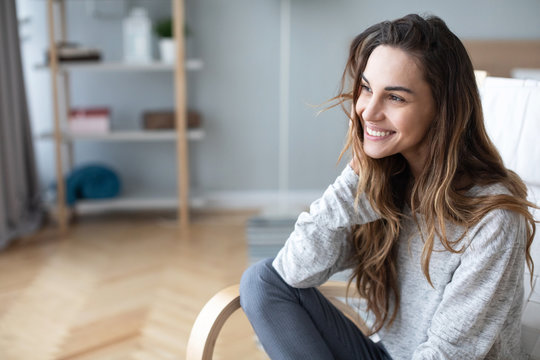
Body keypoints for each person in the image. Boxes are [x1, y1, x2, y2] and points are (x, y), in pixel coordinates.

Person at [239, 13, 537, 360]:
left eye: (395, 97)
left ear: (442, 109)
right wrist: (353, 179)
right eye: (366, 88)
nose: (368, 111)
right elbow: (295, 270)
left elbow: (449, 353)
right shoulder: (387, 180)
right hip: (391, 354)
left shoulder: (494, 217)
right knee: (262, 281)